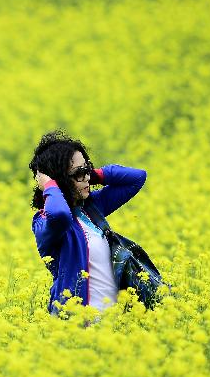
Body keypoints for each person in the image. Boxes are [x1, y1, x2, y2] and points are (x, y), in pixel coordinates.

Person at [29, 129, 147, 318]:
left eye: (87, 169)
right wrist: (50, 185)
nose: (87, 178)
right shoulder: (44, 222)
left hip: (115, 327)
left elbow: (137, 178)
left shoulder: (91, 208)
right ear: (58, 180)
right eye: (78, 173)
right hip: (78, 328)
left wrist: (96, 174)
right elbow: (60, 214)